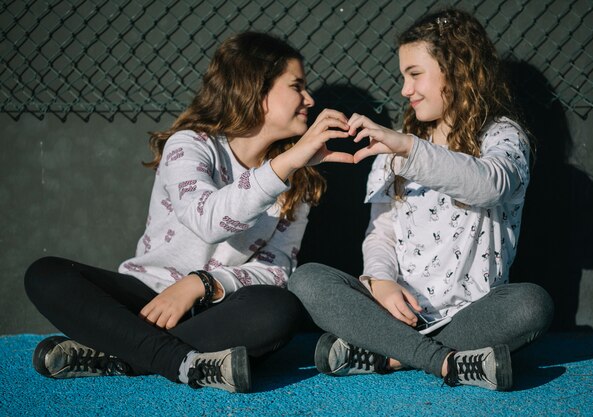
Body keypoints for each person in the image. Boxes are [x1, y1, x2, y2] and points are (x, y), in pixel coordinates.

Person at [24, 31, 353, 393]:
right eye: (297, 86)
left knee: (278, 310)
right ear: (256, 88)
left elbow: (276, 269)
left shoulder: (297, 179)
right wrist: (286, 164)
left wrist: (203, 285)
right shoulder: (191, 144)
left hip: (216, 308)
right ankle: (183, 363)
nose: (309, 99)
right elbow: (207, 220)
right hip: (147, 296)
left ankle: (121, 354)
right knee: (45, 274)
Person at [288, 9, 554, 391]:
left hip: (470, 316)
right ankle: (446, 361)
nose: (405, 90)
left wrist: (408, 148)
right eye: (403, 77)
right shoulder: (394, 146)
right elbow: (381, 234)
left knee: (532, 304)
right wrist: (380, 281)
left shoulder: (502, 136)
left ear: (458, 70)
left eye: (415, 74)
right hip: (393, 312)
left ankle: (389, 356)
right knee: (307, 279)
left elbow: (490, 184)